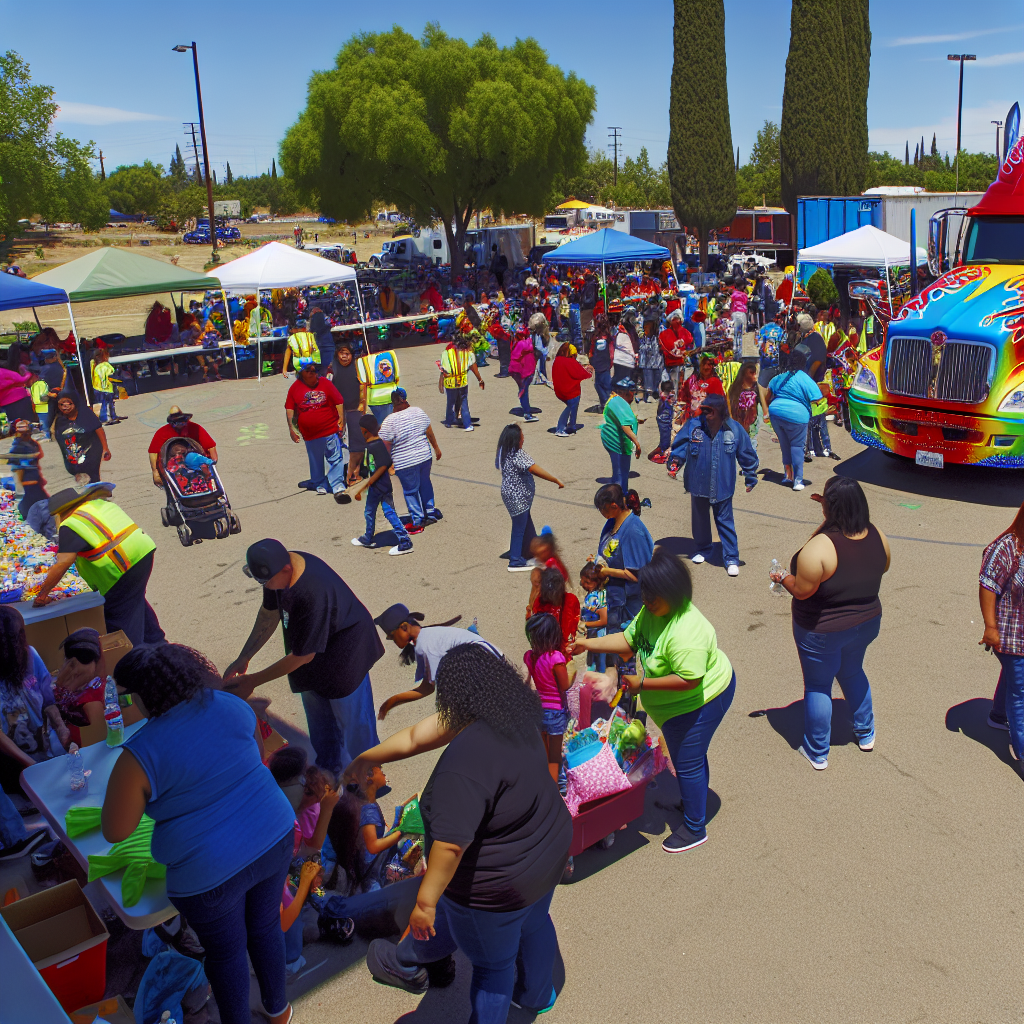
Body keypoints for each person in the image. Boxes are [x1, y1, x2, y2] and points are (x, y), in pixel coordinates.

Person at [349, 644, 572, 1019]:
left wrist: (425, 904)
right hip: (548, 855)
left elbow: (451, 848)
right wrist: (367, 758)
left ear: (457, 697)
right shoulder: (515, 711)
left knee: (492, 968)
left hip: (498, 887)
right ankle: (537, 994)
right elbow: (419, 735)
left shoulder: (464, 764)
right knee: (534, 924)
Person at [101, 644, 296, 1024]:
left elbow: (115, 829)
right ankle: (279, 1011)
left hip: (208, 875)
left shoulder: (138, 754)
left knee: (226, 954)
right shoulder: (230, 705)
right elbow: (255, 757)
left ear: (142, 695)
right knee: (265, 927)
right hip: (274, 835)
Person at [574, 547, 735, 853]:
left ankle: (694, 828)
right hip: (675, 706)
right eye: (645, 595)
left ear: (672, 593)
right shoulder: (653, 610)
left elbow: (690, 680)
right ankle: (692, 801)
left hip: (702, 701)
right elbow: (628, 639)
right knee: (689, 757)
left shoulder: (687, 631)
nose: (646, 602)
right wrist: (586, 643)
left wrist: (643, 683)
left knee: (687, 763)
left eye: (652, 597)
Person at [225, 539, 385, 781]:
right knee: (320, 722)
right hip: (311, 653)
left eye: (265, 582)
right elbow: (269, 614)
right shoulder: (277, 570)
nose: (265, 587)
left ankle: (369, 777)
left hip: (346, 654)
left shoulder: (311, 590)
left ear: (286, 570)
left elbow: (302, 656)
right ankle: (329, 772)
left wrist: (253, 681)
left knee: (355, 727)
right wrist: (245, 656)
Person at [769, 477, 890, 770]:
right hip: (867, 622)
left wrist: (782, 576)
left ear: (829, 508)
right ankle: (866, 733)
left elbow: (802, 590)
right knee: (852, 672)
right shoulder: (877, 535)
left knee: (818, 686)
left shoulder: (820, 547)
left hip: (822, 630)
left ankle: (817, 751)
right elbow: (883, 565)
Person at [34, 484, 165, 648]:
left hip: (121, 566)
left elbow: (64, 562)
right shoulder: (97, 505)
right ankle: (157, 641)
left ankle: (134, 656)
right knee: (134, 599)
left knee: (119, 615)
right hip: (143, 552)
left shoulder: (71, 524)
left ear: (60, 513)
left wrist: (42, 593)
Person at [669, 393, 758, 577]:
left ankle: (731, 557)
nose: (705, 412)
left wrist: (750, 477)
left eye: (710, 410)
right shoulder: (693, 426)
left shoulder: (734, 430)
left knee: (725, 521)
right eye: (704, 409)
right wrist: (675, 462)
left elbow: (747, 454)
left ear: (720, 411)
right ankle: (703, 548)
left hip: (723, 486)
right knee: (700, 519)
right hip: (698, 484)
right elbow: (680, 446)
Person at [373, 602, 501, 719]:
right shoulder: (427, 636)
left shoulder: (426, 645)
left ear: (404, 627)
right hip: (494, 668)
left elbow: (427, 689)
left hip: (492, 675)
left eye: (392, 636)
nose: (392, 641)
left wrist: (391, 702)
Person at [980, 503, 1024, 760]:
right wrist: (990, 627)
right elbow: (988, 585)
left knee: (1015, 679)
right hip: (1011, 634)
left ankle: (998, 715)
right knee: (1020, 694)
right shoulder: (1007, 548)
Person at [0, 606, 67, 761]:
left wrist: (61, 728)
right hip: (10, 758)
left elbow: (49, 702)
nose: (11, 647)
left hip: (44, 744)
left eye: (15, 640)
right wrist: (28, 763)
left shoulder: (30, 655)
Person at [496, 423, 564, 571]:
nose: (523, 438)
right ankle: (515, 560)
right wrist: (555, 479)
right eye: (522, 435)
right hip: (517, 497)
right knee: (519, 527)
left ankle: (531, 551)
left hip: (511, 495)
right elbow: (535, 469)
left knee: (526, 524)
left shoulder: (504, 451)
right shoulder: (518, 454)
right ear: (516, 439)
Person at [593, 482, 655, 642]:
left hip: (629, 607)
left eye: (602, 507)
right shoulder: (612, 523)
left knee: (625, 650)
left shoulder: (633, 531)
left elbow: (636, 575)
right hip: (614, 601)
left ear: (614, 505)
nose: (600, 511)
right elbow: (609, 552)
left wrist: (606, 572)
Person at [378, 387, 442, 534]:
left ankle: (418, 520)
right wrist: (436, 449)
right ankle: (430, 513)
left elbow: (386, 446)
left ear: (392, 402)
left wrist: (387, 465)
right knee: (425, 483)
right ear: (405, 398)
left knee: (410, 491)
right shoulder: (418, 411)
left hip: (405, 462)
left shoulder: (389, 421)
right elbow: (429, 432)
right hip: (424, 457)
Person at [285, 358, 349, 501]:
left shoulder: (325, 383)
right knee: (315, 460)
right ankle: (320, 483)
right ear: (302, 373)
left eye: (314, 370)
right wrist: (291, 428)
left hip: (329, 429)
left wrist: (341, 420)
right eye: (309, 371)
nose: (313, 374)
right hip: (310, 434)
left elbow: (338, 400)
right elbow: (290, 408)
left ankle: (338, 486)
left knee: (335, 458)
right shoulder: (295, 388)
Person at [350, 415, 413, 555]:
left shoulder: (376, 446)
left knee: (387, 513)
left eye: (361, 431)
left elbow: (385, 464)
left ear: (365, 431)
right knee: (370, 512)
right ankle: (368, 537)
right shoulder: (373, 444)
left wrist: (368, 483)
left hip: (380, 487)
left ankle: (405, 541)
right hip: (378, 487)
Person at [766, 349, 826, 491]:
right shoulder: (803, 377)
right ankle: (798, 480)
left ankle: (788, 475)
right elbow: (817, 397)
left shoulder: (779, 377)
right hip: (797, 416)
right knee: (797, 447)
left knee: (785, 445)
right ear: (803, 363)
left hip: (775, 413)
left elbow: (768, 395)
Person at [523, 612, 571, 783]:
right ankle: (555, 791)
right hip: (556, 712)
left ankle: (546, 785)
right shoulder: (555, 658)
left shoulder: (530, 656)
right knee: (554, 757)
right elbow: (564, 686)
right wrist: (575, 676)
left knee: (545, 754)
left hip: (539, 710)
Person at [793, 313, 836, 461]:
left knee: (814, 419)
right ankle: (807, 448)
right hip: (804, 381)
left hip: (812, 383)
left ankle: (819, 448)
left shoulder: (816, 339)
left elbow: (818, 360)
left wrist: (808, 380)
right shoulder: (805, 338)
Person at [148, 406, 217, 487]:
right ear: (172, 422)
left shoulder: (195, 428)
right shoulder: (162, 432)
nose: (181, 424)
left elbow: (210, 446)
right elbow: (153, 452)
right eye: (177, 422)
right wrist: (155, 472)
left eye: (182, 421)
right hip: (174, 465)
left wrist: (213, 464)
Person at [51, 388, 108, 483]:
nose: (65, 407)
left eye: (69, 404)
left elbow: (98, 429)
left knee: (92, 478)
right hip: (73, 457)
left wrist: (105, 448)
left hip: (91, 452)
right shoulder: (60, 420)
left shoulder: (85, 414)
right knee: (81, 480)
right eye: (62, 404)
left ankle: (97, 491)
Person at [328, 343, 365, 487]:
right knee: (340, 445)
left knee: (358, 443)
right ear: (337, 354)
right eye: (342, 353)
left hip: (355, 410)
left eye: (348, 353)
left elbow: (363, 386)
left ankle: (356, 472)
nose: (345, 356)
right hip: (338, 413)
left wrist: (362, 405)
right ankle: (342, 473)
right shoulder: (332, 369)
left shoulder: (357, 367)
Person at [601, 378, 642, 493]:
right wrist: (637, 444)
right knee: (620, 475)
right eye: (632, 392)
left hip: (616, 442)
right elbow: (625, 427)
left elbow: (620, 420)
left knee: (620, 473)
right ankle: (619, 500)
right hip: (618, 444)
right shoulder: (618, 403)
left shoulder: (616, 400)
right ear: (625, 392)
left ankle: (620, 497)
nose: (633, 396)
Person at [439, 329, 484, 431]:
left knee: (450, 402)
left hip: (450, 382)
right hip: (462, 381)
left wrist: (440, 384)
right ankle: (467, 424)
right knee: (464, 402)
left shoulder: (446, 352)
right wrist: (480, 379)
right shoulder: (467, 353)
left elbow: (443, 369)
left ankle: (449, 422)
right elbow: (473, 366)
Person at [551, 339, 591, 436]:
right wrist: (588, 372)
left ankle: (572, 425)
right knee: (571, 405)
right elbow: (580, 374)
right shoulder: (570, 361)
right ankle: (561, 428)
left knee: (572, 405)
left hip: (559, 391)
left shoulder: (557, 360)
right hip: (569, 392)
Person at [678, 356, 726, 425]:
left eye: (709, 364)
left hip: (708, 420)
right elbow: (682, 397)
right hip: (689, 419)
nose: (706, 367)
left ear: (712, 367)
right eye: (704, 364)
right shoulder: (692, 380)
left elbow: (719, 403)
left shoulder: (716, 382)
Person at [357, 348, 400, 424]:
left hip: (374, 399)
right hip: (392, 395)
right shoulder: (391, 354)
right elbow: (397, 376)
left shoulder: (363, 360)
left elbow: (363, 381)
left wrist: (362, 404)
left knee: (383, 425)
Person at [579, 561, 608, 673]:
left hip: (599, 636)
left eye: (587, 582)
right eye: (582, 580)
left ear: (597, 583)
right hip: (595, 635)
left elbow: (604, 620)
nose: (583, 584)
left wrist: (584, 624)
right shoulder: (600, 593)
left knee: (599, 664)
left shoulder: (594, 598)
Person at [727, 360, 762, 451]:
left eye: (755, 373)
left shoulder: (756, 389)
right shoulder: (735, 389)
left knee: (751, 448)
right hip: (738, 424)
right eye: (751, 373)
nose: (754, 376)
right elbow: (730, 405)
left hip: (752, 426)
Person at [659, 309, 691, 395]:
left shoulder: (663, 333)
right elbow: (690, 341)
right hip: (677, 362)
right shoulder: (684, 331)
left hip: (668, 362)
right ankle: (674, 400)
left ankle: (668, 400)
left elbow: (661, 346)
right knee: (676, 384)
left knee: (668, 384)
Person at [508, 329, 537, 422]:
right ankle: (527, 413)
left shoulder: (517, 343)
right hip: (522, 371)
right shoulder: (523, 344)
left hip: (522, 371)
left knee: (523, 390)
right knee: (524, 390)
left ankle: (526, 409)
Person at [638, 310, 665, 402]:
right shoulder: (644, 334)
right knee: (648, 377)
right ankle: (649, 394)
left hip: (657, 360)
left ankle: (655, 393)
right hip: (646, 362)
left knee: (657, 378)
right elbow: (641, 347)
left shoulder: (660, 331)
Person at [588, 314, 613, 410]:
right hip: (603, 365)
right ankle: (606, 403)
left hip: (601, 365)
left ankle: (607, 404)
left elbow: (592, 351)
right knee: (602, 385)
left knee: (602, 385)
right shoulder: (607, 337)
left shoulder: (597, 337)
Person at [91, 347, 120, 425]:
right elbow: (105, 377)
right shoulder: (104, 366)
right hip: (105, 388)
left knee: (107, 403)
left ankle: (112, 416)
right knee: (106, 403)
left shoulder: (95, 365)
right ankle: (106, 418)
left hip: (98, 387)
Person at [307, 305, 335, 373]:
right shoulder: (326, 323)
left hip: (319, 346)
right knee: (329, 369)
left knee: (319, 371)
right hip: (327, 346)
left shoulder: (312, 324)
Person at [728, 284, 749, 356]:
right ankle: (740, 350)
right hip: (742, 314)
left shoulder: (733, 295)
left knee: (735, 332)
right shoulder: (745, 295)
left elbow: (731, 303)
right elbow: (746, 302)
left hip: (735, 313)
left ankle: (735, 348)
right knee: (741, 333)